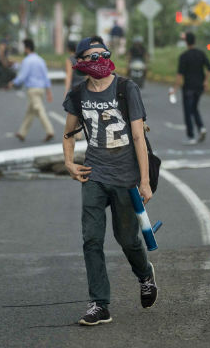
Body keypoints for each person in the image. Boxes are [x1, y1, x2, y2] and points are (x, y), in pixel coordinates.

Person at [62, 36, 158, 326]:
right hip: (94, 174)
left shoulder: (127, 89)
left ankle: (144, 275)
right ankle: (99, 304)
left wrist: (144, 181)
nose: (99, 60)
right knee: (91, 239)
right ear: (81, 63)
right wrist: (69, 163)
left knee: (127, 239)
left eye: (104, 54)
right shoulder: (78, 95)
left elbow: (139, 137)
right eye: (92, 56)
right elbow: (69, 134)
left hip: (126, 177)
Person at [8, 38, 54, 142]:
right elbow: (46, 77)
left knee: (39, 109)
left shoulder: (27, 61)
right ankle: (22, 133)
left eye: (24, 47)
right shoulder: (40, 60)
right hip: (41, 89)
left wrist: (13, 83)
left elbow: (22, 76)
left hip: (32, 90)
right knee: (30, 112)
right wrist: (49, 91)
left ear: (27, 48)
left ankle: (49, 131)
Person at [172, 32, 210, 145]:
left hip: (188, 87)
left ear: (186, 42)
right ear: (194, 41)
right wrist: (206, 81)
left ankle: (191, 136)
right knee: (194, 108)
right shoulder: (201, 54)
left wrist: (175, 88)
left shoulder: (184, 56)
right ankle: (201, 128)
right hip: (199, 87)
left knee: (188, 112)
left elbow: (180, 75)